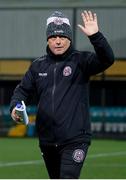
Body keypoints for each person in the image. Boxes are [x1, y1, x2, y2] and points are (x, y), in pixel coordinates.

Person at [10, 10, 114, 179]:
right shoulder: (37, 66)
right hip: (47, 140)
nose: (58, 41)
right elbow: (22, 91)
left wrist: (96, 36)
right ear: (47, 39)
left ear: (69, 39)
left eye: (62, 37)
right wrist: (15, 107)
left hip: (75, 139)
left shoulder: (81, 61)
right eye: (53, 37)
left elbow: (107, 59)